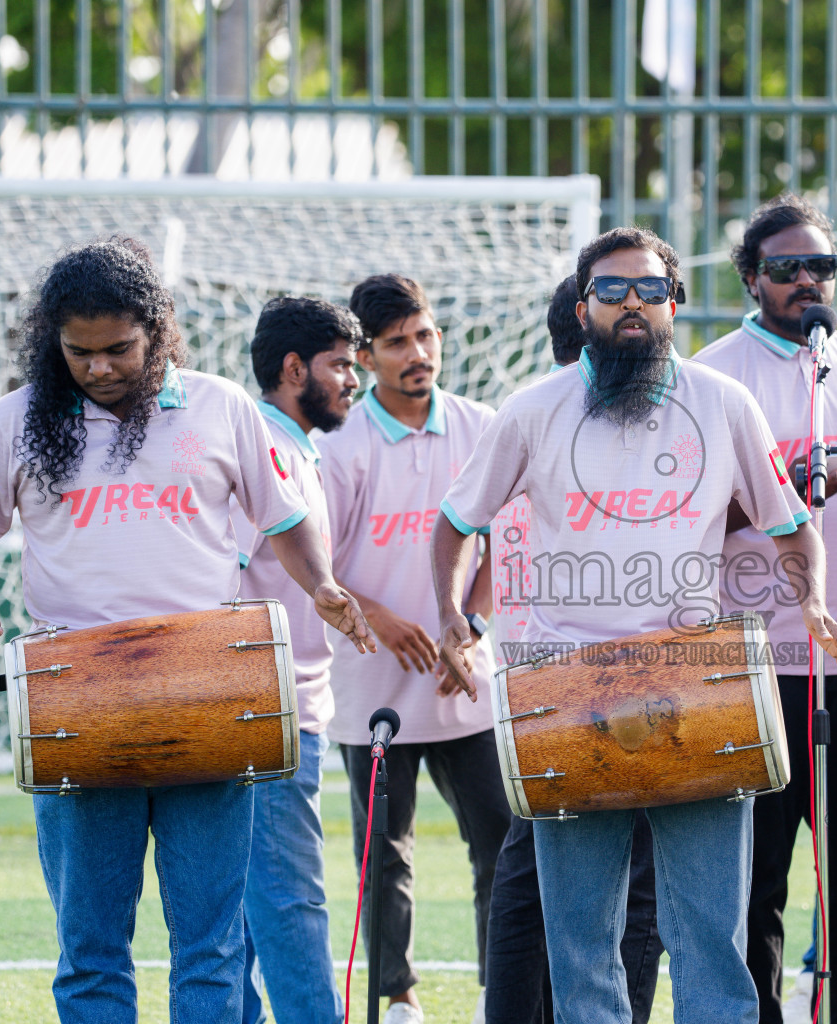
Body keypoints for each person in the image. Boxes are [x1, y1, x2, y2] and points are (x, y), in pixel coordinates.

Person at [0, 238, 374, 1024]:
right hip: (75, 702)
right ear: (52, 341)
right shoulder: (16, 419)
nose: (99, 367)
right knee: (92, 950)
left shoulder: (219, 406)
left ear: (158, 329)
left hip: (207, 691)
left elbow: (285, 518)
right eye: (79, 352)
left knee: (209, 948)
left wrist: (324, 584)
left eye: (119, 350)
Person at [433, 226, 837, 1023]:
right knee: (583, 947)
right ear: (584, 305)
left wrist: (813, 601)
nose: (634, 304)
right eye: (614, 290)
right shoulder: (531, 411)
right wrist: (452, 614)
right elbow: (457, 522)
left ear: (676, 304)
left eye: (651, 290)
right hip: (568, 695)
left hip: (698, 689)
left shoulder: (726, 405)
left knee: (710, 942)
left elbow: (791, 522)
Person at [690, 194, 837, 1024]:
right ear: (751, 278)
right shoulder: (709, 375)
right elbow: (688, 520)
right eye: (786, 268)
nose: (807, 280)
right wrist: (781, 497)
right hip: (751, 658)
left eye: (821, 266)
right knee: (754, 873)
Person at [325, 273, 513, 1024]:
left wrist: (466, 625)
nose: (418, 353)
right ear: (365, 356)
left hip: (463, 678)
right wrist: (383, 619)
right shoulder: (337, 442)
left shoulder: (484, 426)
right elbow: (316, 564)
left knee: (501, 845)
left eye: (426, 335)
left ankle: (500, 990)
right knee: (385, 854)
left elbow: (509, 540)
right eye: (398, 342)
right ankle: (396, 996)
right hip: (371, 685)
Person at [483, 273, 663, 1024]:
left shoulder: (525, 416)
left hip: (536, 679)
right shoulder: (576, 421)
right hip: (588, 676)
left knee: (532, 874)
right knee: (630, 881)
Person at [234, 297, 363, 1024]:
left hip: (293, 705)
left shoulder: (299, 447)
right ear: (292, 368)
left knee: (253, 914)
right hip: (263, 709)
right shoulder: (263, 448)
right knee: (290, 899)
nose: (354, 380)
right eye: (340, 365)